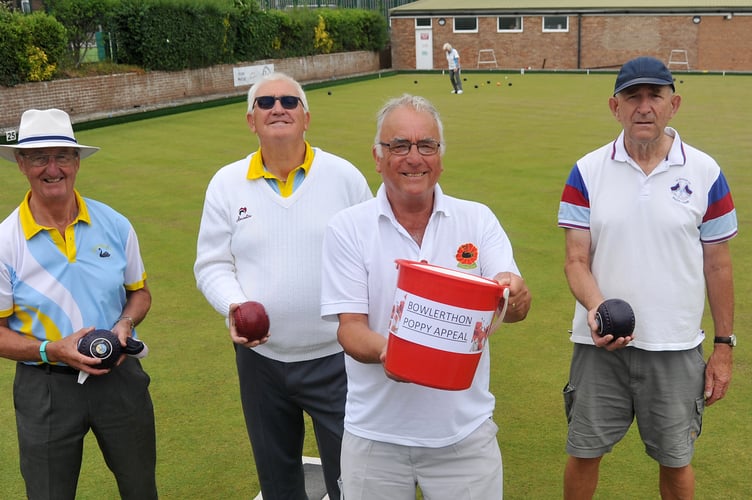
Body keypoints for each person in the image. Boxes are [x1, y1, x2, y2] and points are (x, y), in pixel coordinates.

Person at [320, 94, 531, 499]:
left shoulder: (478, 219)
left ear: (440, 156)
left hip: (463, 434)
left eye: (426, 145)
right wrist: (392, 354)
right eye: (399, 145)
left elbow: (516, 305)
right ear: (378, 157)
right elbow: (350, 329)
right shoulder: (347, 228)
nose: (413, 157)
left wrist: (517, 295)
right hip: (375, 437)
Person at [558, 56, 737, 499]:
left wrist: (723, 347)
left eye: (654, 96)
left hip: (675, 348)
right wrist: (599, 310)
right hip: (597, 347)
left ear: (672, 104)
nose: (643, 107)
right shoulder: (586, 171)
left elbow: (718, 265)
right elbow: (575, 260)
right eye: (631, 97)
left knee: (676, 462)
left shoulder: (706, 173)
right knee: (583, 453)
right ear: (613, 107)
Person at [194, 72, 372, 500]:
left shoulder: (344, 177)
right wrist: (235, 305)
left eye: (289, 102)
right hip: (261, 362)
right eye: (267, 102)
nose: (279, 108)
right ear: (250, 120)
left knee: (353, 478)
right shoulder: (225, 183)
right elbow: (211, 264)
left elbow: (374, 256)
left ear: (306, 117)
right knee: (277, 480)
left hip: (337, 359)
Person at [0, 109, 157, 499]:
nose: (52, 169)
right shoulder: (5, 242)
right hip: (46, 387)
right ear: (21, 164)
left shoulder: (115, 224)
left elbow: (139, 291)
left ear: (76, 163)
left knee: (140, 490)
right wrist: (52, 349)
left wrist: (125, 323)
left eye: (62, 157)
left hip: (119, 378)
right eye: (39, 158)